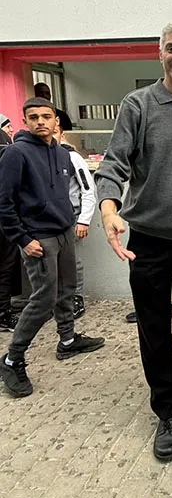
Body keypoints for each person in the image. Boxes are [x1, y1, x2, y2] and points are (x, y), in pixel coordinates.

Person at [95, 21, 172, 462]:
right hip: (147, 241)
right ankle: (166, 411)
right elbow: (113, 164)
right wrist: (108, 210)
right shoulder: (138, 105)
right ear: (160, 53)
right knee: (154, 328)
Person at [0, 98, 105, 398]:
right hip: (38, 239)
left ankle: (68, 340)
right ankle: (12, 359)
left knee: (67, 289)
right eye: (33, 117)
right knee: (43, 299)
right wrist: (23, 239)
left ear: (56, 121)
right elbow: (4, 203)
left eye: (46, 116)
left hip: (63, 232)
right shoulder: (16, 154)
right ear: (25, 121)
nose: (40, 122)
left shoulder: (61, 153)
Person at [54, 123, 96, 318]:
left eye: (55, 132)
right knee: (50, 263)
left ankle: (75, 298)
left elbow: (88, 189)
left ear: (62, 135)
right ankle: (55, 300)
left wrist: (84, 220)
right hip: (47, 220)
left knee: (72, 261)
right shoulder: (36, 157)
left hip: (72, 218)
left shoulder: (72, 157)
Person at [0, 116, 20, 332]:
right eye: (8, 126)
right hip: (4, 216)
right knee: (5, 265)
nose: (11, 129)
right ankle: (3, 313)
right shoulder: (6, 147)